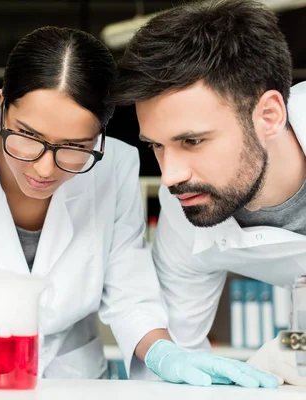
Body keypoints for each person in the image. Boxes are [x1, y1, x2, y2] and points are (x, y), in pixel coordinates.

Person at [0, 26, 277, 387]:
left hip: (76, 383)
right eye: (28, 137)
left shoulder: (114, 169)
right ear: (3, 104)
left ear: (100, 134)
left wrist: (165, 354)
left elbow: (129, 295)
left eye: (74, 148)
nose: (43, 167)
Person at [113, 0, 306, 386]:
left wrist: (292, 347)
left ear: (269, 115)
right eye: (157, 145)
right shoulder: (187, 204)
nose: (169, 176)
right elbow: (178, 366)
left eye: (193, 140)